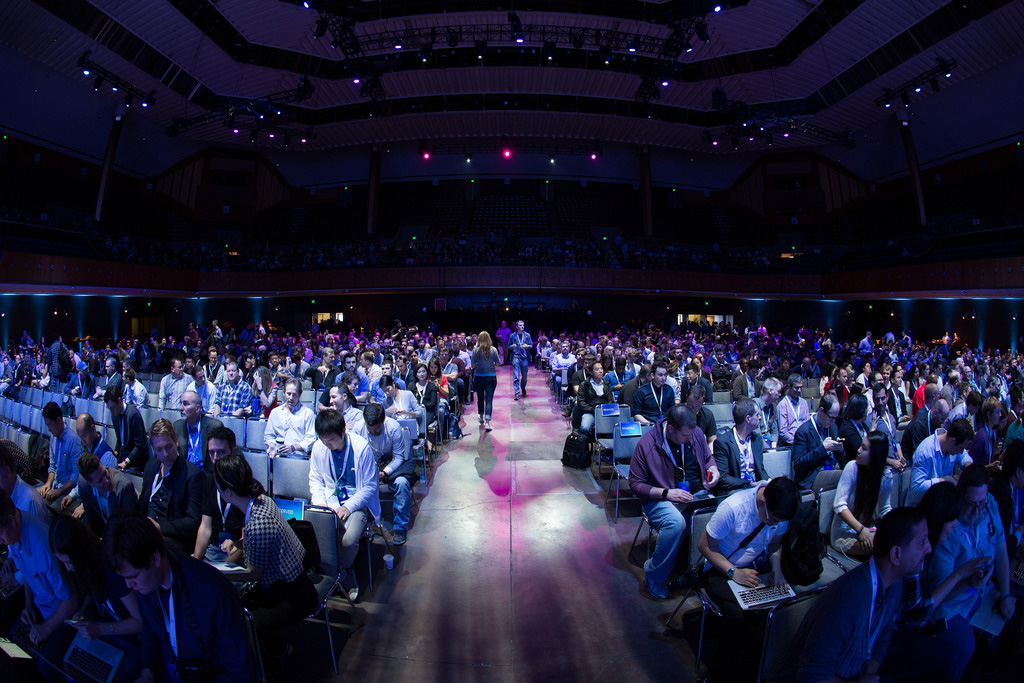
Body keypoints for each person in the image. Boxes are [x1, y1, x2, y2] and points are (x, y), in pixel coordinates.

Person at [102, 510, 256, 683]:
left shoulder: (213, 593)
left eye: (133, 577)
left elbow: (240, 674)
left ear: (154, 559)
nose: (129, 586)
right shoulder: (145, 582)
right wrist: (148, 672)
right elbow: (151, 632)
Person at [793, 507, 931, 683]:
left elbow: (884, 629)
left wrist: (872, 666)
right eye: (922, 542)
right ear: (896, 554)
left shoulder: (894, 584)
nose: (929, 548)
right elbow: (811, 677)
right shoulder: (848, 600)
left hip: (854, 672)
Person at [879, 482, 986, 682]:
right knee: (952, 653)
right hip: (887, 636)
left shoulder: (927, 541)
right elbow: (917, 614)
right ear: (940, 517)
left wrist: (966, 583)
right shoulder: (915, 548)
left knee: (963, 647)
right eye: (951, 520)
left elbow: (927, 600)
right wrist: (959, 575)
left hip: (902, 626)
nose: (955, 525)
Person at [698, 476, 801, 679]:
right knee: (736, 616)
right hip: (720, 568)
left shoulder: (778, 511)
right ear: (763, 501)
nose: (774, 524)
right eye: (772, 520)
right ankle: (721, 671)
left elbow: (774, 544)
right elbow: (705, 547)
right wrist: (734, 572)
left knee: (783, 605)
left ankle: (758, 664)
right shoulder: (734, 507)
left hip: (754, 566)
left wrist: (776, 569)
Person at [213, 454, 317, 651]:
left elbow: (253, 573)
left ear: (227, 492)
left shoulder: (256, 524)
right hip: (295, 583)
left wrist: (221, 573)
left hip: (292, 595)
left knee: (238, 620)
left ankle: (277, 652)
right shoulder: (263, 500)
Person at [628, 404, 719, 599]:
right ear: (670, 429)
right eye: (685, 437)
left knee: (722, 511)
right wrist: (666, 493)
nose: (689, 439)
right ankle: (654, 575)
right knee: (676, 523)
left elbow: (708, 457)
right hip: (659, 498)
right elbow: (635, 485)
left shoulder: (695, 434)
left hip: (695, 493)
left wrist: (714, 469)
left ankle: (703, 571)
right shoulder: (647, 444)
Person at [925, 465, 1017, 644]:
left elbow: (1000, 548)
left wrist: (1005, 595)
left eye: (981, 504)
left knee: (1012, 609)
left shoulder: (989, 504)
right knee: (967, 645)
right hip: (953, 607)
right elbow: (938, 598)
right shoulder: (948, 530)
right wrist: (967, 583)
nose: (977, 512)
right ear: (960, 496)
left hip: (981, 592)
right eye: (972, 504)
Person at [48, 516, 144, 683]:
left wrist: (100, 629)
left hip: (133, 643)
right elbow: (93, 598)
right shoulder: (88, 569)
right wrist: (84, 612)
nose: (68, 569)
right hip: (109, 634)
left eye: (69, 562)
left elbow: (140, 622)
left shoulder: (113, 570)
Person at [0, 488, 77, 682]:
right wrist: (28, 605)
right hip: (41, 608)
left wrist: (47, 628)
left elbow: (71, 600)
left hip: (62, 619)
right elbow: (28, 574)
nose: (0, 541)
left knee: (45, 664)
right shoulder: (15, 533)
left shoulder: (42, 546)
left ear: (10, 520)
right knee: (8, 638)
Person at [308, 408, 380, 601]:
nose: (328, 445)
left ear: (343, 431)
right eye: (324, 440)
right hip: (329, 502)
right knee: (315, 537)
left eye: (331, 440)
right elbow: (315, 480)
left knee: (346, 541)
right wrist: (321, 505)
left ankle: (341, 574)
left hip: (356, 503)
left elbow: (370, 487)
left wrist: (348, 507)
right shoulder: (319, 447)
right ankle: (340, 574)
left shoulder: (361, 447)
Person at [138, 419, 204, 553]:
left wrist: (160, 527)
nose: (165, 454)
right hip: (147, 532)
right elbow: (142, 503)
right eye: (159, 449)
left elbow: (193, 521)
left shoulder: (192, 475)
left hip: (173, 538)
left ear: (176, 441)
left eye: (168, 447)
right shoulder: (151, 467)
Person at [831, 431, 893, 558]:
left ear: (875, 455)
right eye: (860, 446)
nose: (858, 451)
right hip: (844, 533)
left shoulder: (886, 476)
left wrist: (893, 526)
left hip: (868, 529)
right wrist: (861, 530)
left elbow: (885, 509)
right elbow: (839, 506)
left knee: (896, 541)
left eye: (864, 448)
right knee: (883, 547)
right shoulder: (852, 467)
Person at [192, 427, 245, 564]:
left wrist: (228, 564)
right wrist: (196, 561)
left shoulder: (244, 483)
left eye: (221, 452)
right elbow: (205, 527)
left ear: (233, 451)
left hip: (238, 551)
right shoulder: (209, 481)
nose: (216, 458)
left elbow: (248, 538)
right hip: (214, 550)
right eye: (212, 453)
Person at [364, 404, 414, 546]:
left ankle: (400, 528)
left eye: (377, 429)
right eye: (370, 429)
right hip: (369, 467)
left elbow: (399, 457)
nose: (373, 432)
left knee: (402, 483)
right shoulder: (359, 430)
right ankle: (367, 523)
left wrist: (385, 472)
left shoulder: (393, 428)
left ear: (383, 421)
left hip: (391, 466)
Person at [907, 418, 974, 506]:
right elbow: (915, 490)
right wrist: (944, 481)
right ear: (953, 441)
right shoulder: (925, 451)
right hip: (920, 508)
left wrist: (968, 469)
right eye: (961, 448)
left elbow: (965, 458)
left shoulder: (953, 446)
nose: (961, 451)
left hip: (939, 504)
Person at [74, 452, 139, 535]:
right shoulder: (83, 484)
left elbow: (128, 526)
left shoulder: (125, 487)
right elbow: (91, 517)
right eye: (100, 480)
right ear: (90, 483)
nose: (107, 481)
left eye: (105, 473)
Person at [713, 398, 768, 494]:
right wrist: (749, 484)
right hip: (734, 490)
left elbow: (761, 469)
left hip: (755, 489)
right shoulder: (723, 442)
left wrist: (769, 482)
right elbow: (723, 479)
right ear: (748, 419)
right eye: (757, 415)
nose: (760, 418)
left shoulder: (757, 439)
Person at [792, 393, 844, 490]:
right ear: (821, 411)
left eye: (835, 418)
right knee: (844, 476)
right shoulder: (803, 431)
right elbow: (799, 465)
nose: (833, 421)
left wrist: (840, 450)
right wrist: (823, 449)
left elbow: (840, 458)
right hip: (813, 476)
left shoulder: (833, 427)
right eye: (831, 417)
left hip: (832, 468)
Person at [38, 400, 83, 511]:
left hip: (67, 492)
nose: (49, 429)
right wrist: (48, 483)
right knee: (34, 499)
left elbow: (76, 475)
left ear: (58, 420)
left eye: (50, 425)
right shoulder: (53, 437)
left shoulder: (73, 440)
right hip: (56, 487)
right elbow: (52, 466)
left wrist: (60, 491)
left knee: (46, 510)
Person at [264, 378, 316, 458]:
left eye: (294, 394)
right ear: (283, 393)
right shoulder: (275, 412)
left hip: (296, 453)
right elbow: (269, 435)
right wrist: (272, 444)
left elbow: (310, 440)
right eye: (288, 394)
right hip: (277, 451)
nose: (291, 398)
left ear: (300, 394)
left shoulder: (307, 414)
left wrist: (293, 448)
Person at [173, 390, 224, 470]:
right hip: (185, 475)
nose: (180, 408)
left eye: (185, 404)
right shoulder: (177, 426)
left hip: (206, 476)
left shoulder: (214, 426)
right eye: (181, 403)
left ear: (197, 408)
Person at [991, 440, 1024, 557]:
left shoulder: (1003, 484)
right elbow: (1003, 547)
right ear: (1019, 471)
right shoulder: (1002, 495)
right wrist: (1020, 534)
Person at [107, 385, 148, 471]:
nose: (111, 411)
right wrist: (115, 452)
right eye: (109, 408)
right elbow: (119, 439)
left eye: (112, 408)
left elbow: (140, 446)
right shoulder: (114, 415)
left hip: (136, 460)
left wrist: (125, 462)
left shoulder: (133, 415)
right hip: (123, 455)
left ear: (119, 401)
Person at [471, 332, 500, 432]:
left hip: (479, 377)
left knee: (480, 398)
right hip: (491, 377)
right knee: (489, 399)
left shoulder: (475, 351)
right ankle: (487, 422)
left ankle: (481, 416)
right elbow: (497, 364)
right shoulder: (494, 350)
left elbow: (473, 365)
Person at [575, 361, 613, 434]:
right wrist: (594, 409)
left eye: (601, 369)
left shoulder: (606, 384)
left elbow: (610, 399)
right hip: (590, 412)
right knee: (584, 428)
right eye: (597, 369)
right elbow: (581, 402)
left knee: (614, 426)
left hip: (604, 412)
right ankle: (585, 444)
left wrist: (605, 409)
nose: (600, 371)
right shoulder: (584, 385)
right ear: (591, 372)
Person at [777, 373, 811, 447]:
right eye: (796, 388)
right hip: (790, 443)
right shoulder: (783, 405)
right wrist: (797, 442)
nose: (799, 390)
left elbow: (808, 424)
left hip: (804, 441)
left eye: (801, 387)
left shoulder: (803, 403)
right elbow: (783, 432)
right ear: (789, 387)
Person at [969, 396, 1002, 466]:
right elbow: (971, 466)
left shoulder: (992, 433)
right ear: (989, 414)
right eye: (997, 412)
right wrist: (989, 467)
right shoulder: (981, 437)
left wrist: (994, 452)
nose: (1000, 415)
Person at [754, 376, 782, 450]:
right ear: (770, 390)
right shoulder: (755, 406)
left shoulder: (773, 407)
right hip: (758, 445)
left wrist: (773, 446)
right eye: (778, 391)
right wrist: (768, 450)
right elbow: (756, 433)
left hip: (770, 445)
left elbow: (774, 430)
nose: (780, 395)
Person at [508, 320, 532, 401]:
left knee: (524, 377)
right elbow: (509, 346)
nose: (522, 327)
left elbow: (531, 345)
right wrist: (512, 346)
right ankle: (517, 393)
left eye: (523, 325)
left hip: (524, 358)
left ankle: (523, 388)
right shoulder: (512, 336)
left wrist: (527, 346)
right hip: (516, 357)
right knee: (516, 376)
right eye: (520, 325)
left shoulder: (527, 335)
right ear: (517, 327)